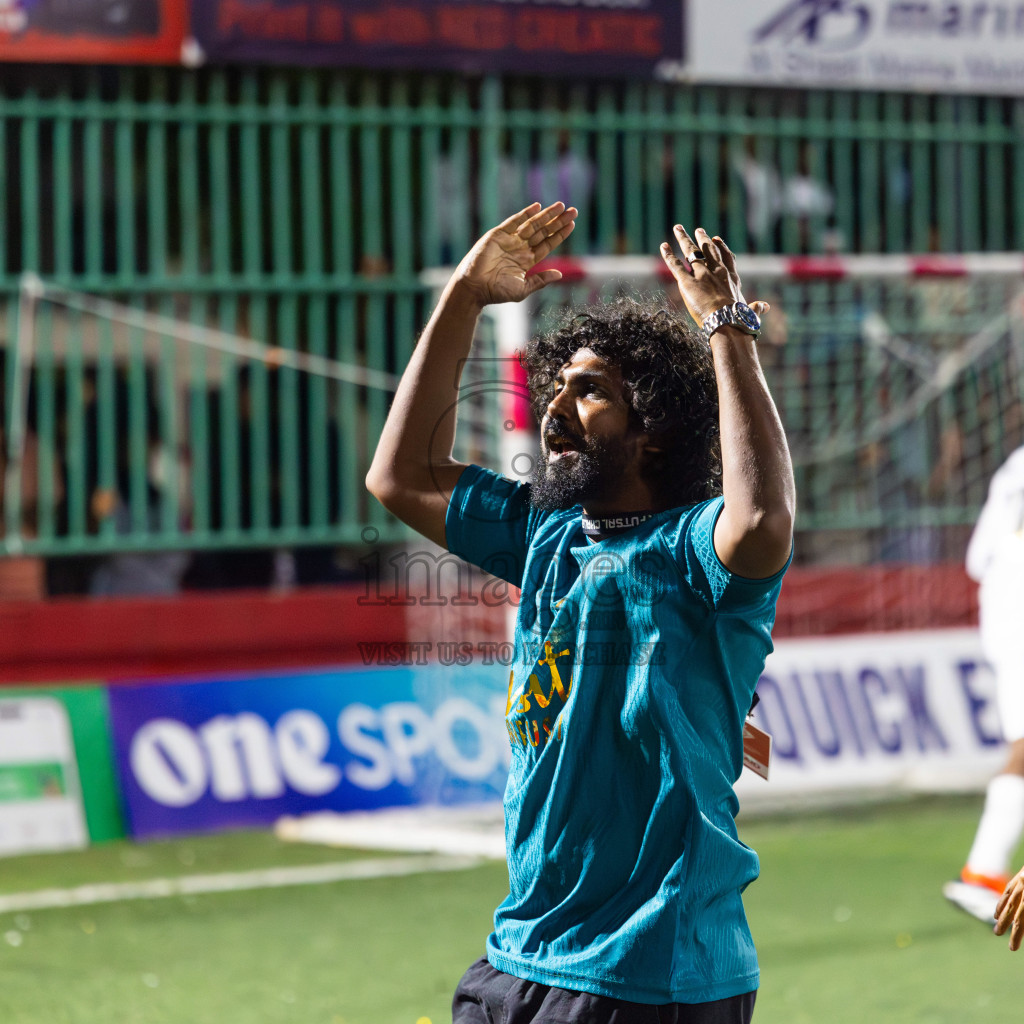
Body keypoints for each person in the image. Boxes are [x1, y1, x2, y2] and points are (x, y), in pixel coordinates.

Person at [366, 202, 795, 1023]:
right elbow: (403, 476)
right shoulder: (548, 530)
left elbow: (763, 520)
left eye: (590, 390)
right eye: (556, 386)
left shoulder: (695, 550)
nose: (556, 407)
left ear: (657, 433)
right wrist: (463, 294)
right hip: (519, 955)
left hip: (651, 972)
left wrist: (726, 331)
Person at [944, 445, 1024, 924]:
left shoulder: (1015, 461)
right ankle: (983, 874)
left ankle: (985, 872)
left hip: (1001, 599)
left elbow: (976, 559)